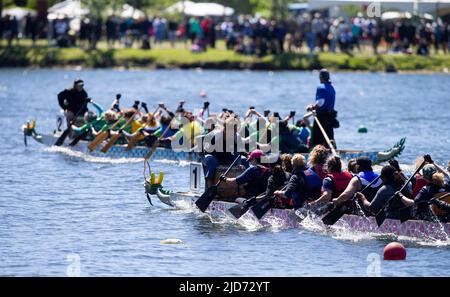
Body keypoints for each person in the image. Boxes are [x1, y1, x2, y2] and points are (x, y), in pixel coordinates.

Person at [307, 69, 338, 148]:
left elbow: (321, 102)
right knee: (329, 138)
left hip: (322, 117)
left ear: (320, 77)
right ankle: (332, 154)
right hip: (331, 117)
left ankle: (317, 156)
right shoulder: (332, 88)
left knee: (317, 140)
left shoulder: (321, 87)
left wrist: (312, 107)